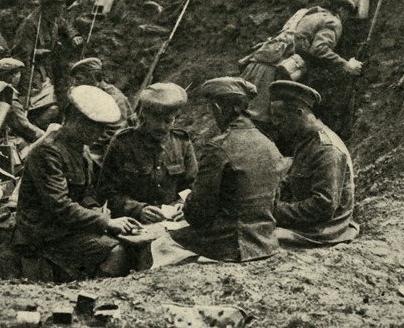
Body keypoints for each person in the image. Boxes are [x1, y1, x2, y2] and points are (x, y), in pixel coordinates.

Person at [12, 85, 142, 280]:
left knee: (131, 245)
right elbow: (60, 205)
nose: (100, 133)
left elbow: (87, 192)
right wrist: (106, 222)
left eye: (103, 128)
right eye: (94, 126)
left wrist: (97, 210)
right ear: (74, 119)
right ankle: (87, 291)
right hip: (42, 233)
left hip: (65, 228)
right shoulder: (49, 152)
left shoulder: (81, 150)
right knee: (118, 251)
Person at [169, 77, 285, 262]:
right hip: (266, 243)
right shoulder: (269, 143)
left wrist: (186, 207)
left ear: (218, 108)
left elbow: (198, 212)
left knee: (159, 245)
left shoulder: (219, 147)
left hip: (228, 246)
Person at [239, 0, 362, 125]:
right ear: (341, 9)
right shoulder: (333, 21)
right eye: (346, 12)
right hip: (272, 74)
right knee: (263, 124)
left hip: (255, 66)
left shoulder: (303, 14)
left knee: (240, 119)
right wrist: (346, 65)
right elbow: (319, 49)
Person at [268, 80, 359, 245]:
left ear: (299, 112)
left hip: (323, 230)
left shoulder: (326, 149)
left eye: (279, 116)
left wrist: (274, 210)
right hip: (309, 222)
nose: (275, 123)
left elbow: (323, 206)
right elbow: (291, 182)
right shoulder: (306, 141)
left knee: (256, 238)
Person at [98, 82, 197, 224]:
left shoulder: (181, 142)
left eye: (168, 121)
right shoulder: (122, 143)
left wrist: (183, 203)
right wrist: (138, 210)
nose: (162, 127)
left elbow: (192, 185)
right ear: (144, 115)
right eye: (156, 120)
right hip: (134, 223)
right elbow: (106, 192)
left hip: (172, 222)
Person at [11, 0, 82, 124]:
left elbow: (65, 24)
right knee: (50, 110)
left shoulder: (53, 18)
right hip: (32, 74)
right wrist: (24, 92)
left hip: (47, 70)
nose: (63, 8)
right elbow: (22, 59)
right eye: (60, 5)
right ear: (50, 6)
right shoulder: (30, 25)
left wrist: (73, 35)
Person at [69, 57, 137, 160]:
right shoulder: (89, 94)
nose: (74, 83)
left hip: (107, 151)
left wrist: (86, 146)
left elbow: (114, 132)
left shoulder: (114, 98)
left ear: (92, 78)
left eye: (79, 79)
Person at [0, 57, 45, 142]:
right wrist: (45, 135)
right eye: (18, 73)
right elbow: (25, 127)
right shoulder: (9, 98)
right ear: (13, 77)